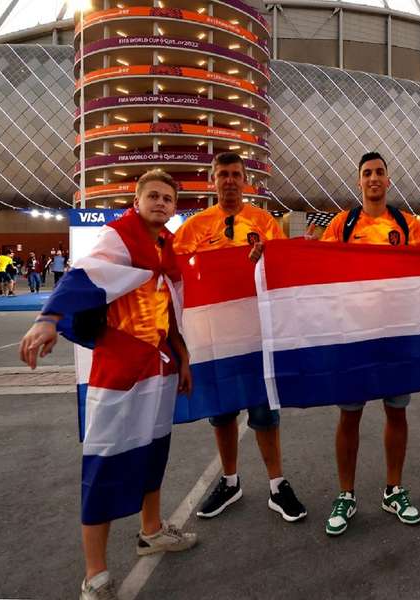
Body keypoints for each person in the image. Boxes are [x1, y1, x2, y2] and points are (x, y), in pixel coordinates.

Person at [19, 170, 197, 600]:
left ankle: (150, 530)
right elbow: (83, 276)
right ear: (136, 202)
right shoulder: (119, 237)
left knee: (155, 450)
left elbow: (170, 308)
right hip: (120, 370)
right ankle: (94, 573)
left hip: (159, 365)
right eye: (153, 196)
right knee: (103, 463)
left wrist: (183, 357)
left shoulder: (165, 246)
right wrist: (48, 319)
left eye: (168, 198)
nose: (161, 203)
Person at [174, 152, 306, 523]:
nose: (229, 180)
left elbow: (284, 270)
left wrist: (273, 257)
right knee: (222, 413)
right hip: (215, 338)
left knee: (265, 413)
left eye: (235, 174)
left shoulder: (264, 222)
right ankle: (230, 481)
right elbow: (174, 276)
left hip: (256, 334)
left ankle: (277, 485)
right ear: (212, 181)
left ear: (245, 180)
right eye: (222, 175)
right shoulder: (193, 228)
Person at [315, 151, 420, 536]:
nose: (373, 178)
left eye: (379, 172)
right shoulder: (343, 223)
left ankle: (393, 489)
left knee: (396, 412)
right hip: (353, 336)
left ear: (388, 180)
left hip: (395, 335)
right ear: (359, 181)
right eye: (367, 173)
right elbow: (317, 264)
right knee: (350, 414)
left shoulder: (406, 224)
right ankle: (346, 494)